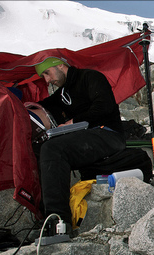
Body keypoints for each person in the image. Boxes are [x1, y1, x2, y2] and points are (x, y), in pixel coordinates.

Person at [35, 58, 126, 233]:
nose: (46, 80)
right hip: (86, 136)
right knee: (40, 148)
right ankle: (44, 217)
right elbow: (43, 106)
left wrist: (73, 122)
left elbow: (104, 105)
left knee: (52, 149)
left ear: (60, 65)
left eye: (47, 73)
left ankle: (58, 222)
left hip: (108, 134)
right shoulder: (62, 93)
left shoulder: (90, 77)